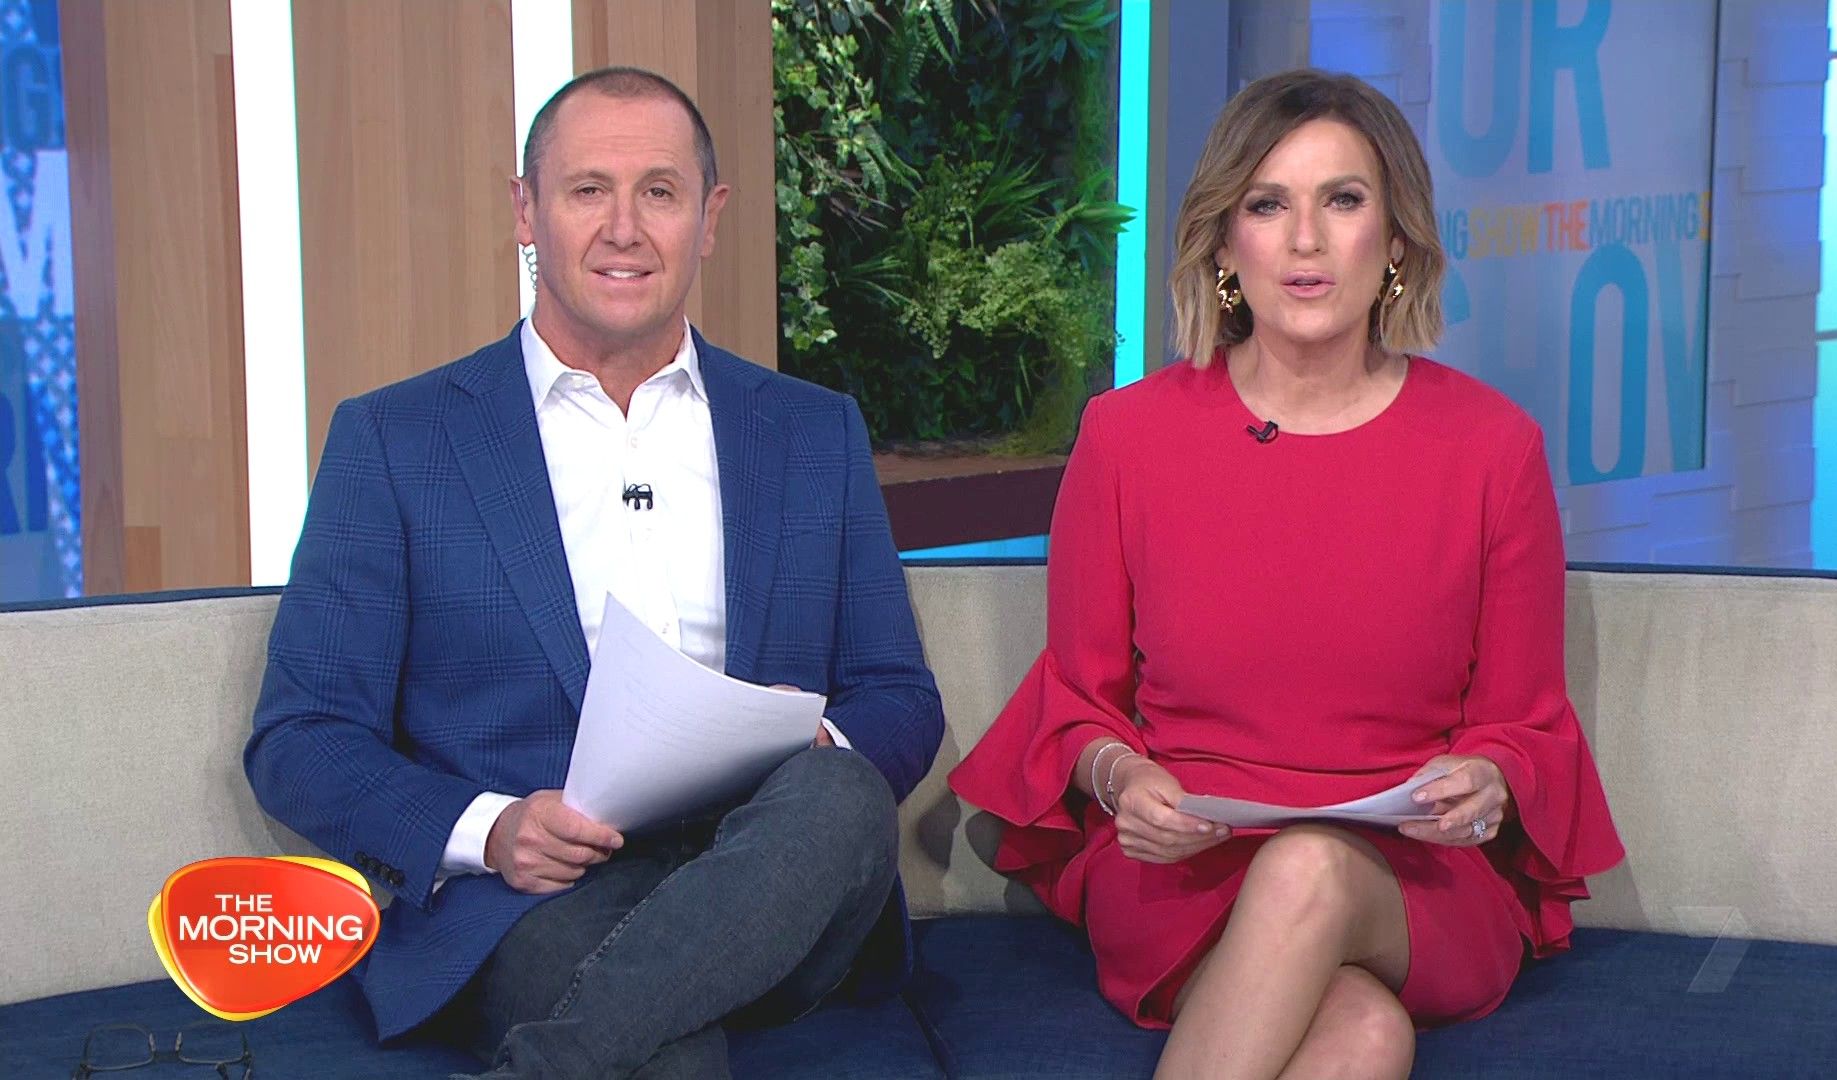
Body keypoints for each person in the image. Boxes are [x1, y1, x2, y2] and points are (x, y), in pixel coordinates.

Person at [245, 67, 943, 1079]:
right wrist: (492, 832)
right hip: (536, 904)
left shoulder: (811, 432)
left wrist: (803, 745)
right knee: (669, 1058)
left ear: (709, 219)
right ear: (526, 213)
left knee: (838, 791)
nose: (625, 228)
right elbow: (302, 736)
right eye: (587, 191)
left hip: (778, 877)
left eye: (659, 192)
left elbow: (899, 696)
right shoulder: (396, 441)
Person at [949, 69, 1624, 1080]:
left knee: (1308, 868)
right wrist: (1124, 781)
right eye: (1268, 205)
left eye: (1342, 201)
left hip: (1416, 881)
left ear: (1395, 240)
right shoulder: (1126, 439)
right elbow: (1081, 705)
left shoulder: (1493, 449)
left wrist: (1487, 779)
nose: (1306, 240)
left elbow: (1521, 724)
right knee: (1364, 1036)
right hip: (1186, 867)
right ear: (1227, 244)